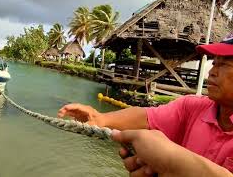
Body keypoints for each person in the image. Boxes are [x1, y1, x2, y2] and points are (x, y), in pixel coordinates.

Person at [58, 34, 233, 173]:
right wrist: (99, 118)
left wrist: (171, 161)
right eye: (214, 63)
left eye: (224, 64)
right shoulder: (193, 107)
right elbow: (147, 117)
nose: (212, 72)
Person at [111, 129, 233, 177]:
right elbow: (149, 115)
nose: (211, 72)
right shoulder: (195, 105)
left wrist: (172, 165)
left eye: (225, 70)